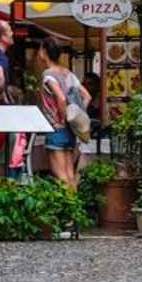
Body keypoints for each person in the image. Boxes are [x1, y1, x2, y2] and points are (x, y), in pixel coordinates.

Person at [40, 38, 90, 190]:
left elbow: (60, 97)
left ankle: (70, 212)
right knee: (70, 174)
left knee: (60, 175)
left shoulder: (48, 74)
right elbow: (87, 96)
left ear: (44, 52)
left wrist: (63, 118)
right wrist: (76, 117)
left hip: (56, 127)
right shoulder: (68, 73)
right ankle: (76, 210)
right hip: (70, 131)